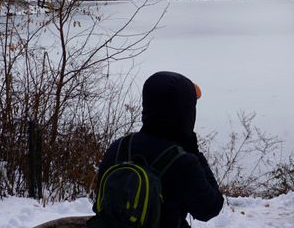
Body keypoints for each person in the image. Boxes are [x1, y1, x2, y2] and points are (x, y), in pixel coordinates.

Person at [90, 72, 223, 227]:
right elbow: (210, 208)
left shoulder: (119, 147)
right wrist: (195, 152)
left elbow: (101, 197)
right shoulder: (183, 161)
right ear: (185, 112)